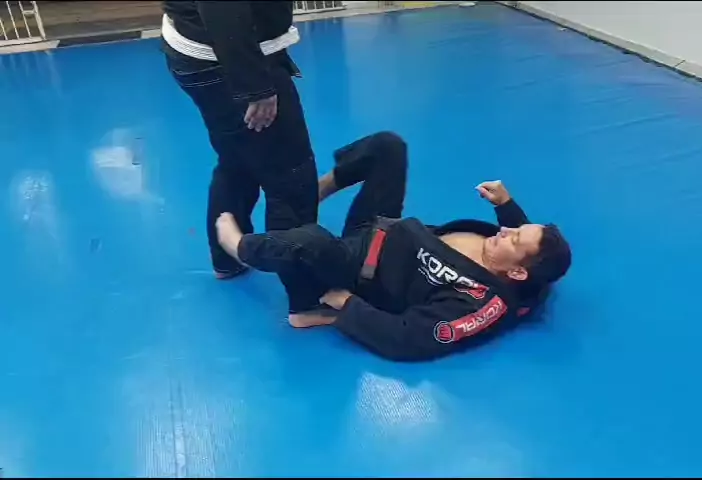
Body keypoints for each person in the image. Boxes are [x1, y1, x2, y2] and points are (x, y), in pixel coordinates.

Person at [215, 132, 573, 362]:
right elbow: (532, 255)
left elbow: (408, 339)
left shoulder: (482, 304)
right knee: (389, 147)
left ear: (517, 272)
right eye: (514, 228)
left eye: (514, 236)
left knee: (311, 240)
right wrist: (506, 205)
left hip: (360, 270)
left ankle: (241, 248)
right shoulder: (523, 266)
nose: (506, 230)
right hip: (381, 228)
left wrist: (348, 305)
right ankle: (321, 189)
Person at [160, 1, 319, 288]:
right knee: (291, 173)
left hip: (201, 51)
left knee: (237, 160)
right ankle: (304, 291)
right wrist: (255, 86)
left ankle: (227, 258)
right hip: (224, 60)